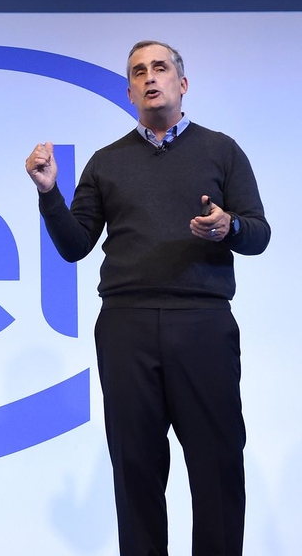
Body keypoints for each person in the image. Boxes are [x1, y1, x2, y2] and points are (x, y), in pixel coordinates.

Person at [25, 40, 270, 555]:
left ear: (183, 84)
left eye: (160, 68)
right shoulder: (106, 162)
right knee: (135, 469)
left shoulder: (221, 150)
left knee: (219, 466)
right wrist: (49, 193)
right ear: (130, 91)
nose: (150, 77)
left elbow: (259, 234)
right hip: (126, 326)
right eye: (139, 72)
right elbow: (74, 245)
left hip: (202, 322)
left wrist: (228, 226)